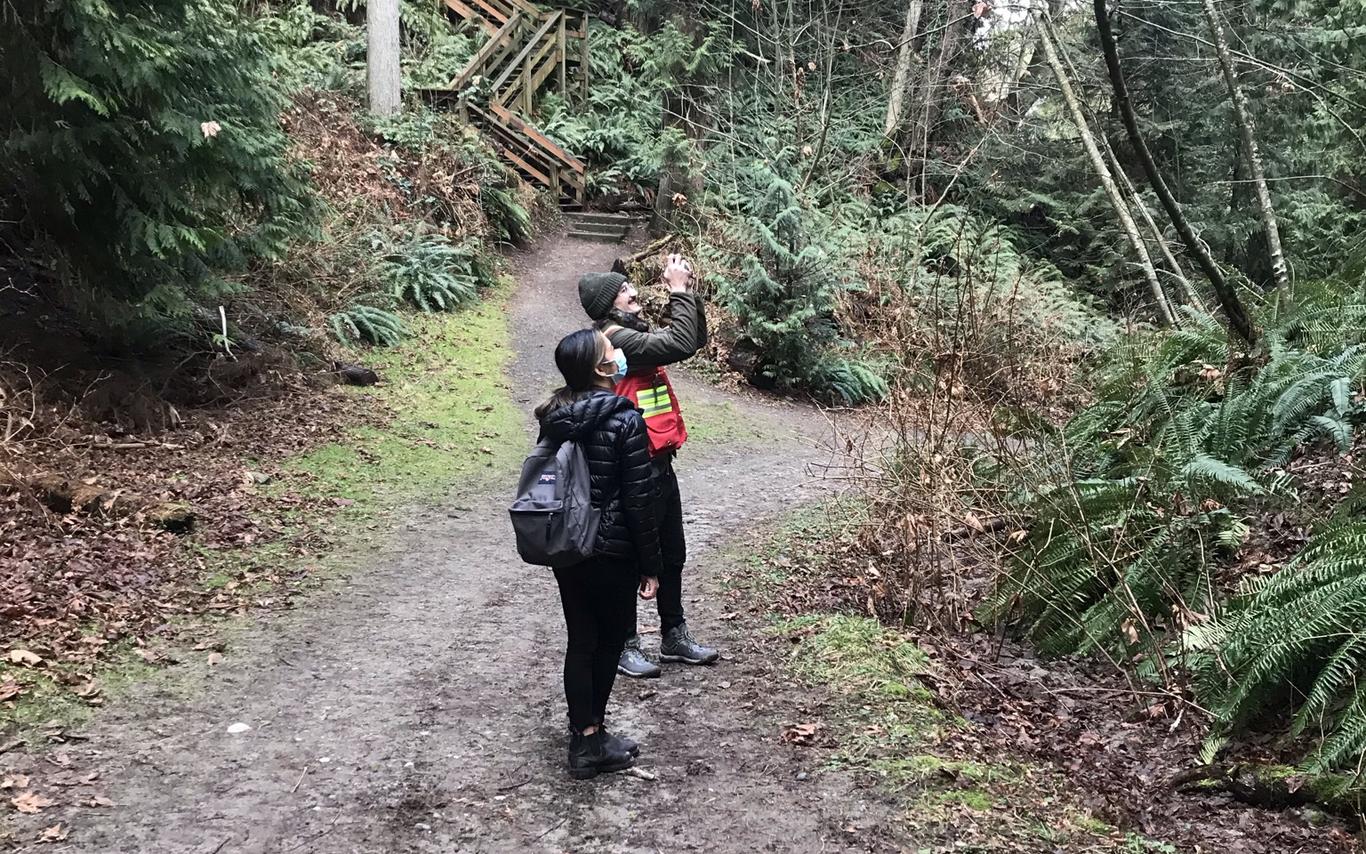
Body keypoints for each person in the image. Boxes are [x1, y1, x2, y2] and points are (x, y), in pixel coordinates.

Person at [577, 255, 719, 679]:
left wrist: (687, 292)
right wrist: (676, 289)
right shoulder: (614, 339)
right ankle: (625, 643)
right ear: (609, 304)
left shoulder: (632, 334)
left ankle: (674, 636)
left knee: (672, 552)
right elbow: (678, 342)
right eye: (624, 290)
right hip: (628, 470)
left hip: (659, 463)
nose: (634, 292)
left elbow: (691, 341)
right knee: (629, 559)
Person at [535, 328, 662, 779]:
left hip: (568, 544)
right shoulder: (625, 417)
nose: (619, 356)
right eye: (612, 353)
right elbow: (639, 498)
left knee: (580, 640)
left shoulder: (554, 414)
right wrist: (651, 564)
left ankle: (584, 734)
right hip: (610, 549)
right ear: (599, 368)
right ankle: (590, 743)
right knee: (608, 643)